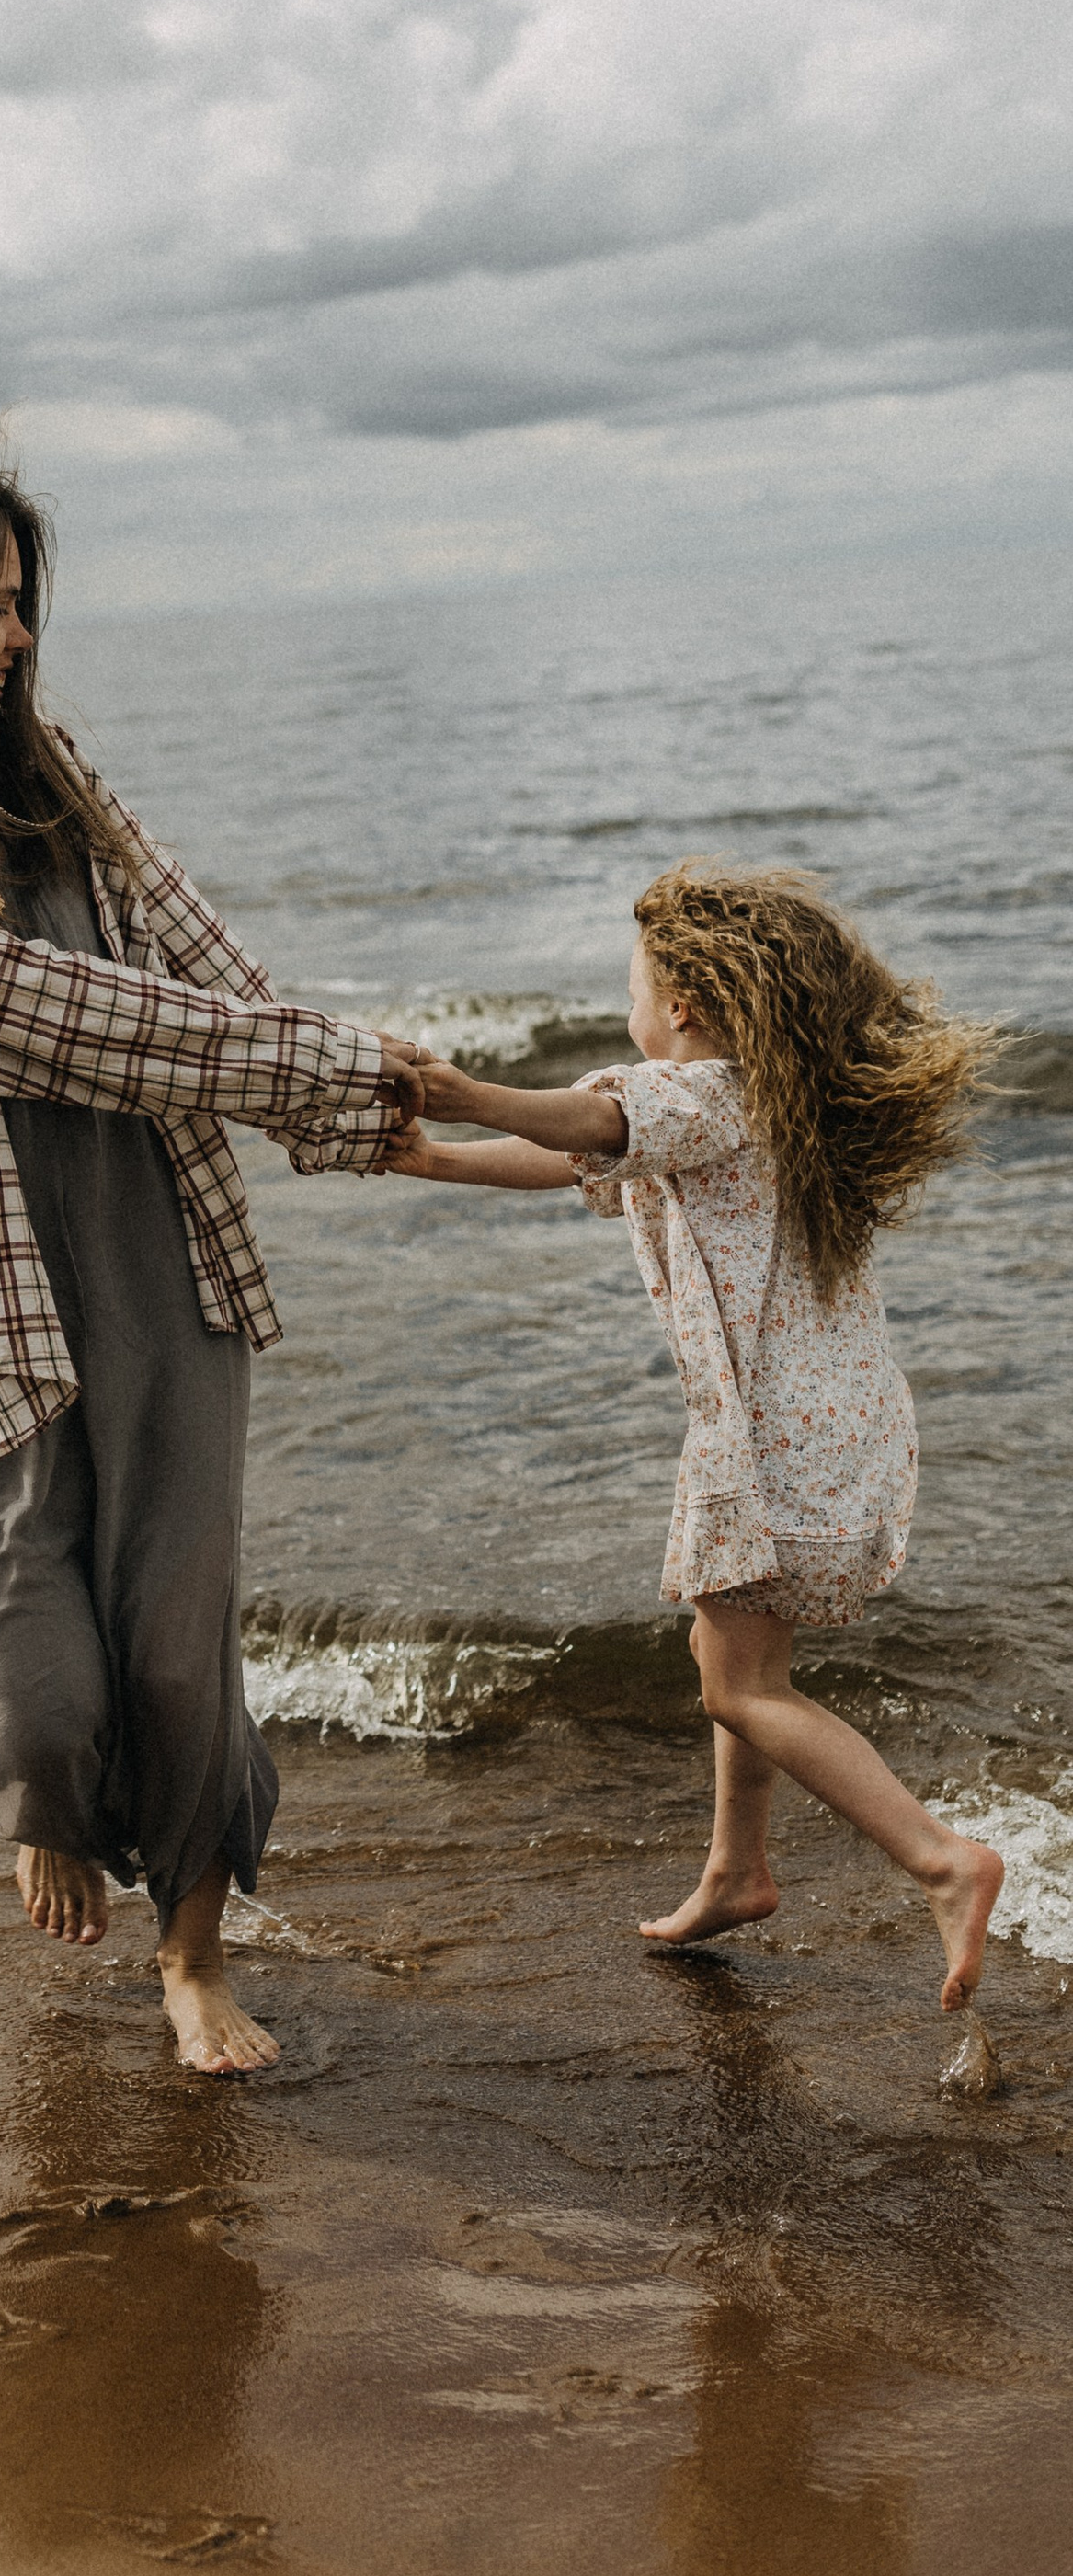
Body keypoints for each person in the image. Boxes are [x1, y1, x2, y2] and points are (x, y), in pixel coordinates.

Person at [0, 444, 422, 2074]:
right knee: (31, 1677)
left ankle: (193, 1958)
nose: (17, 637)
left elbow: (200, 966)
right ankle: (46, 1789)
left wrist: (418, 1121)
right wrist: (324, 1072)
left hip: (161, 1248)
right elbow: (61, 1015)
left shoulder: (50, 776)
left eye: (25, 602)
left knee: (176, 1643)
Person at [385, 862, 1003, 2011]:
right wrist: (437, 1159)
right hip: (830, 1427)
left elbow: (592, 1117)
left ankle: (939, 1861)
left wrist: (466, 1095)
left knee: (741, 1688)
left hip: (775, 1446)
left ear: (687, 1009)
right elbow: (587, 1155)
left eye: (632, 988)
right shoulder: (757, 1107)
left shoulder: (706, 1094)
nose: (626, 1008)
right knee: (734, 1663)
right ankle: (736, 1869)